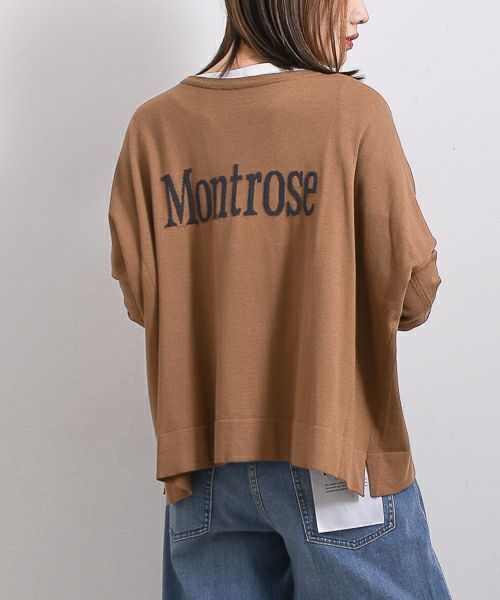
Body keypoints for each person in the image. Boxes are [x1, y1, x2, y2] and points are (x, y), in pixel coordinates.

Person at [107, 1, 453, 598]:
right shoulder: (351, 112)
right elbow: (412, 293)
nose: (362, 13)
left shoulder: (152, 127)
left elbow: (145, 301)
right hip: (332, 453)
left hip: (203, 467)